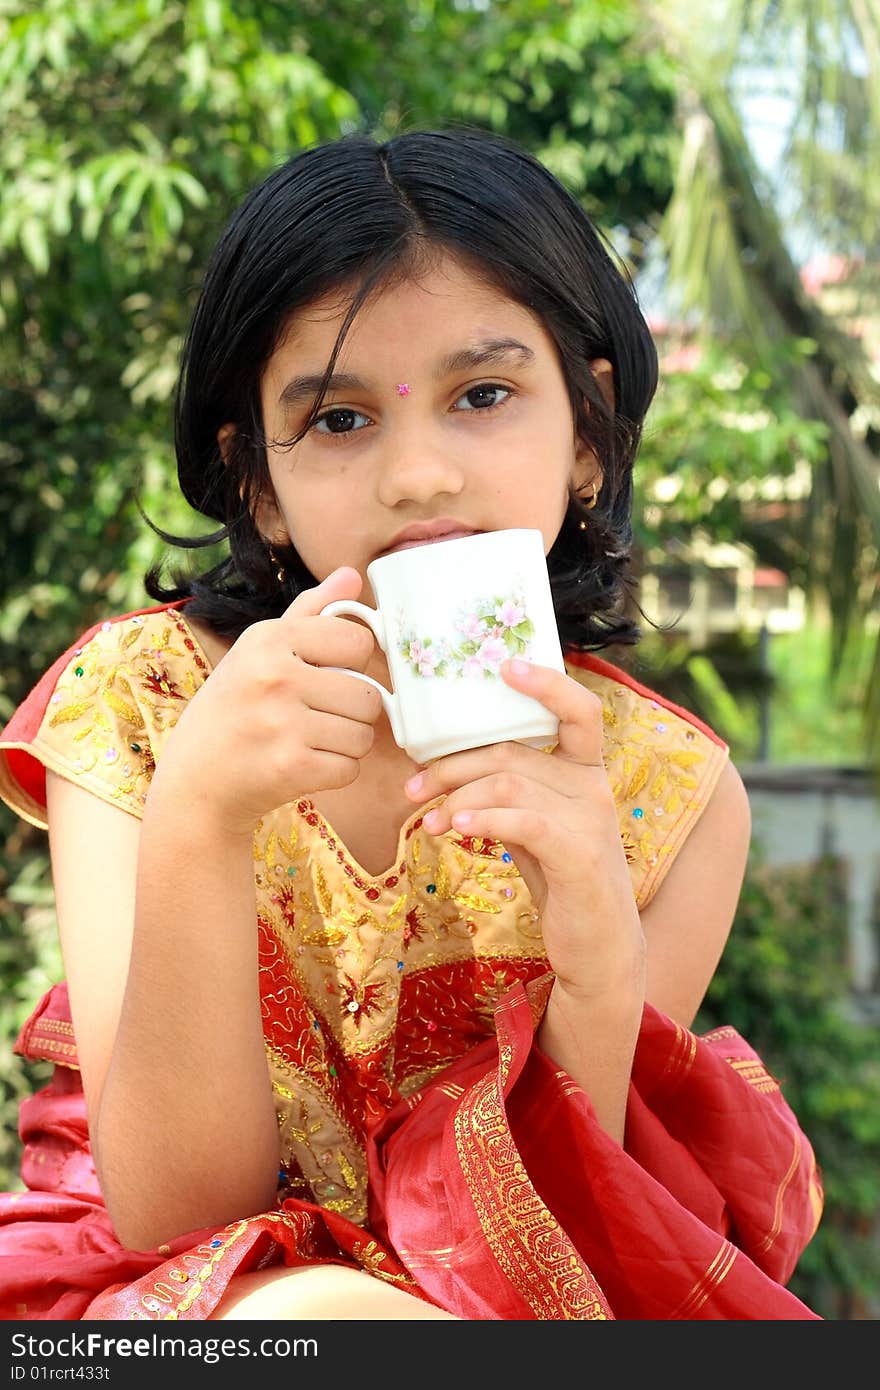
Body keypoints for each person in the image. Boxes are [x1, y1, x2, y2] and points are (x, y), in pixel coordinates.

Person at [0, 126, 823, 1322]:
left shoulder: (669, 794)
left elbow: (552, 1255)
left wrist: (597, 968)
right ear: (258, 486)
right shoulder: (144, 703)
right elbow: (179, 1218)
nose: (418, 474)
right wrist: (197, 813)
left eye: (481, 394)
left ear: (587, 437)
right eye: (339, 420)